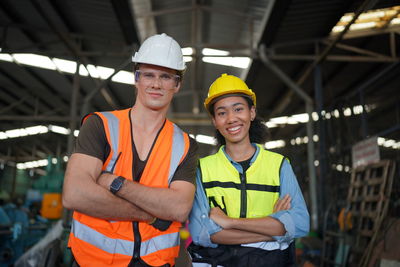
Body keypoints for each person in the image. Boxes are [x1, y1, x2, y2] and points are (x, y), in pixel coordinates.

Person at [62, 33, 198, 267]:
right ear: (136, 79)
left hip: (155, 262)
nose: (156, 84)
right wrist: (151, 215)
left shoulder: (184, 144)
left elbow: (179, 208)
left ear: (177, 85)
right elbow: (75, 194)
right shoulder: (100, 125)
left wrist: (116, 183)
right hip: (93, 260)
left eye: (166, 76)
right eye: (148, 75)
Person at [187, 74, 310, 266]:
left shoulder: (278, 165)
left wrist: (229, 223)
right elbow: (201, 233)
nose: (231, 119)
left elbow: (301, 225)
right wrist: (276, 228)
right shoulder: (202, 169)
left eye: (238, 109)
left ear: (251, 113)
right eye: (221, 113)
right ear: (214, 121)